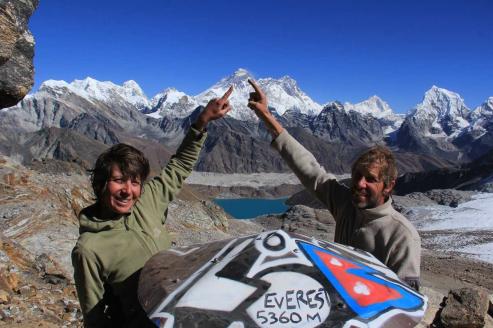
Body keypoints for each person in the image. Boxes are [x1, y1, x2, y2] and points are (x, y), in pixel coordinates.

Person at [72, 87, 233, 327]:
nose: (129, 190)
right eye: (119, 181)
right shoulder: (88, 249)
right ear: (101, 184)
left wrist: (202, 122)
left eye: (135, 182)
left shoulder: (148, 201)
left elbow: (178, 167)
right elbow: (95, 318)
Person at [247, 79, 421, 290]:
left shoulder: (401, 236)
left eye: (370, 179)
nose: (360, 184)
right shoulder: (347, 204)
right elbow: (310, 169)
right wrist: (266, 116)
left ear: (388, 185)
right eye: (357, 175)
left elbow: (405, 301)